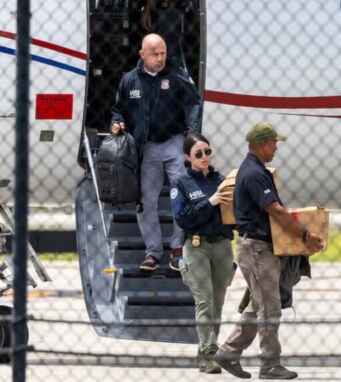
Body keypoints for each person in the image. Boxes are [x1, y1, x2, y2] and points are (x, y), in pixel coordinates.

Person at [214, 122, 325, 380]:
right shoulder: (254, 173)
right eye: (274, 143)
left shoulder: (255, 170)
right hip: (256, 249)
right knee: (270, 309)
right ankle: (270, 365)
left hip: (257, 246)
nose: (276, 148)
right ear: (263, 143)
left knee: (257, 306)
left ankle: (228, 353)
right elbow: (275, 210)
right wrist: (305, 236)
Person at [110, 33, 201, 272]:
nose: (160, 58)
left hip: (175, 142)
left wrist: (190, 142)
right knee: (146, 201)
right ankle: (152, 251)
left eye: (163, 53)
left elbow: (193, 104)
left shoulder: (178, 74)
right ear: (142, 54)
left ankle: (177, 249)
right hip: (146, 147)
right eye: (155, 54)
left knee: (182, 196)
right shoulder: (129, 81)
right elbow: (118, 110)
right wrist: (116, 123)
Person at [170, 134, 234, 374]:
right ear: (188, 157)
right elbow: (182, 217)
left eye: (207, 152)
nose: (204, 157)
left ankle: (205, 351)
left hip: (223, 245)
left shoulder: (222, 180)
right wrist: (210, 202)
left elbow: (232, 213)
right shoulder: (182, 183)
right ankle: (209, 354)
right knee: (204, 300)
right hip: (196, 246)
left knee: (217, 303)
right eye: (198, 154)